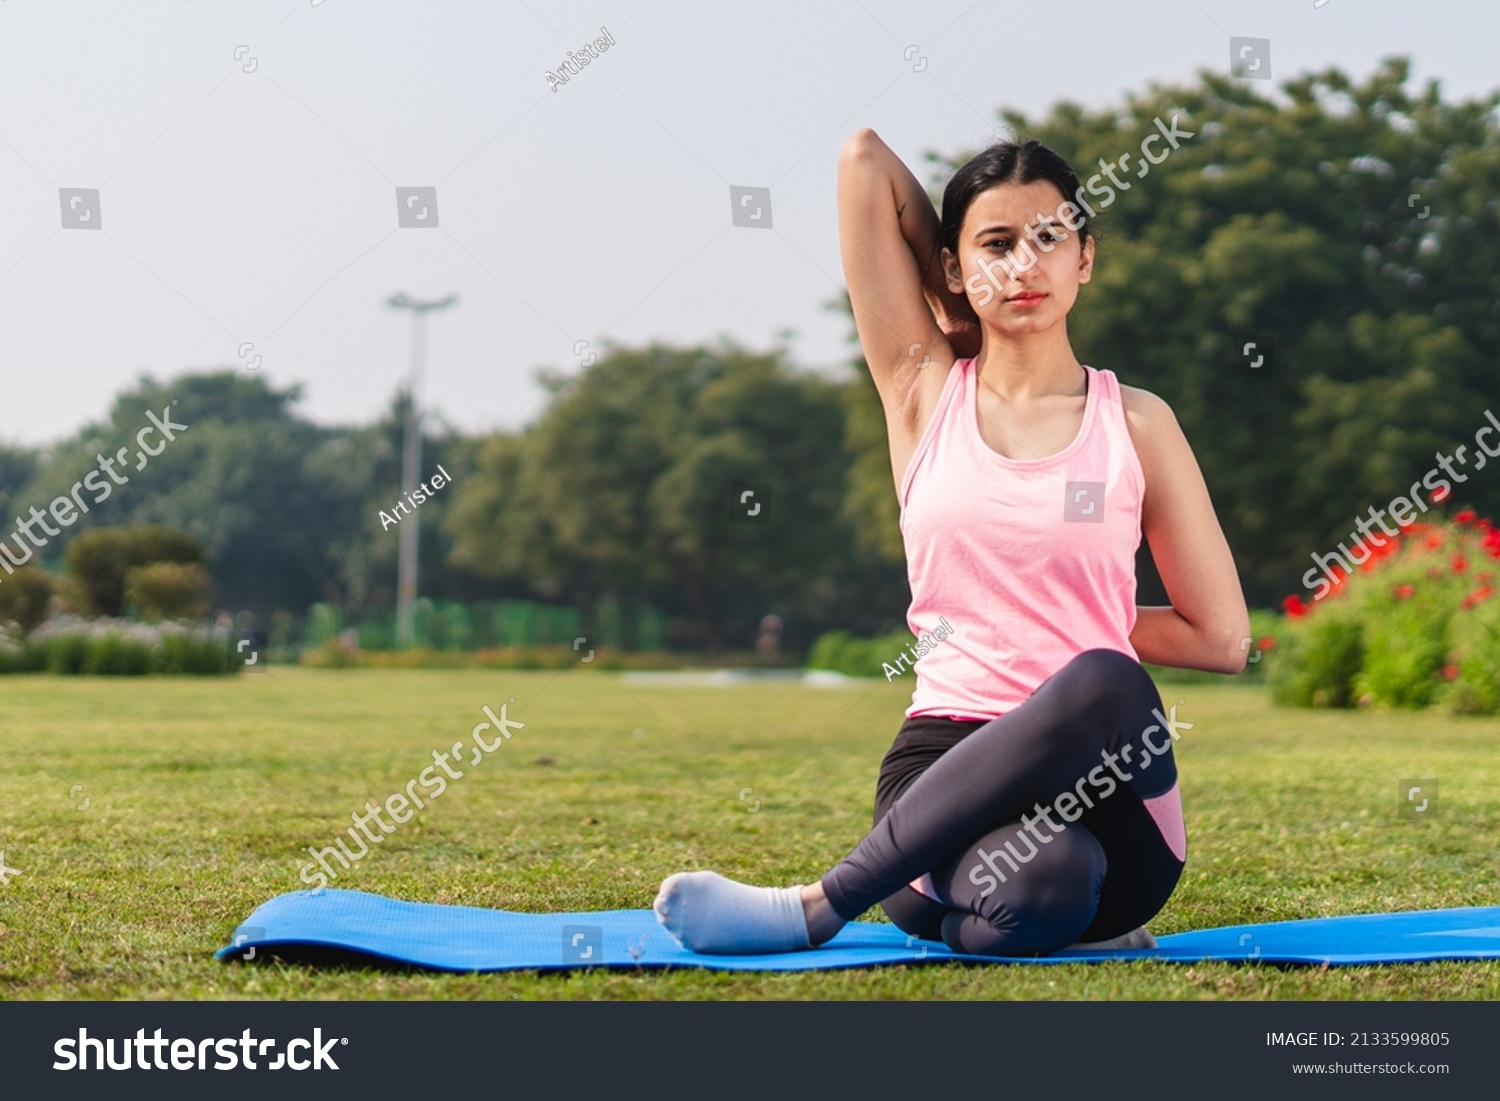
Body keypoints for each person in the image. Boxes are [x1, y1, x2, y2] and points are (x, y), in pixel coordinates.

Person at [653, 129, 1249, 957]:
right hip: (943, 769)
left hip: (1106, 781)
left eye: (1049, 237)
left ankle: (819, 907)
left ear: (1085, 258)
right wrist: (946, 304)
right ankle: (979, 913)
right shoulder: (922, 391)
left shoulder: (1139, 423)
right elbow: (863, 161)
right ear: (955, 269)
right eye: (995, 245)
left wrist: (1063, 618)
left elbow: (1221, 638)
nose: (1022, 264)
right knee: (1046, 887)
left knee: (1105, 677)